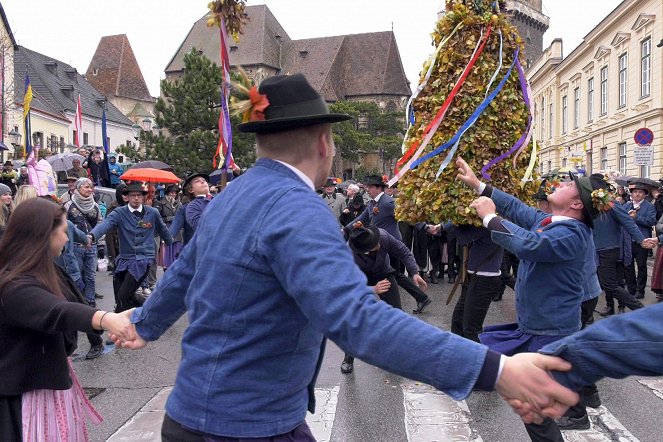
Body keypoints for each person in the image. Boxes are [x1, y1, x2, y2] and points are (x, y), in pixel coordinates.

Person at [113, 74, 578, 441]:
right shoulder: (297, 207)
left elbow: (184, 271)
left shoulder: (230, 197)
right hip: (246, 427)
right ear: (323, 144)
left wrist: (146, 322)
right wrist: (494, 369)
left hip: (200, 415)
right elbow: (358, 319)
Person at [455, 158, 611, 440]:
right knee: (533, 407)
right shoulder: (553, 221)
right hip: (538, 328)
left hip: (549, 333)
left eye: (568, 185)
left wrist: (490, 218)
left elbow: (529, 245)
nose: (560, 184)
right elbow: (517, 208)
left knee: (532, 407)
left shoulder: (573, 233)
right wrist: (478, 185)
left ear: (576, 204)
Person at [0, 198, 135, 440]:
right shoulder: (13, 283)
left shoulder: (46, 269)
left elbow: (75, 303)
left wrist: (109, 323)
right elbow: (56, 311)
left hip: (48, 384)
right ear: (44, 235)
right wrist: (105, 319)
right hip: (25, 395)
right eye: (63, 231)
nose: (66, 238)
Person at [341, 221, 427, 373]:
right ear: (362, 250)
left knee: (396, 314)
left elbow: (403, 251)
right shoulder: (348, 255)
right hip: (360, 278)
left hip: (383, 272)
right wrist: (373, 289)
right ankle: (349, 357)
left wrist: (414, 272)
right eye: (374, 246)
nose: (379, 246)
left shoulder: (383, 236)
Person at [348, 174, 433, 313]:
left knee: (394, 274)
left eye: (370, 187)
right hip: (372, 244)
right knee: (397, 275)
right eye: (367, 187)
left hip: (389, 244)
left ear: (378, 188)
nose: (367, 189)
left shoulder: (387, 202)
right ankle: (421, 297)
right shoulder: (372, 203)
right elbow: (361, 219)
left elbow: (405, 214)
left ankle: (421, 297)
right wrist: (345, 229)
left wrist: (424, 227)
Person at [88, 182, 173, 313]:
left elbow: (164, 231)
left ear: (143, 197)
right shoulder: (119, 213)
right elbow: (105, 225)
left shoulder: (152, 212)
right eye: (132, 195)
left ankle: (117, 321)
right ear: (126, 197)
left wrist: (171, 246)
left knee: (124, 295)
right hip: (124, 259)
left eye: (139, 195)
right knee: (122, 296)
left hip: (143, 260)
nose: (136, 198)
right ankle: (150, 311)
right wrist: (92, 236)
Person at [64, 178, 103, 307]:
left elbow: (100, 225)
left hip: (92, 246)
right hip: (75, 247)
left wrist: (101, 244)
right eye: (86, 187)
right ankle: (78, 302)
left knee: (91, 276)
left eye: (91, 187)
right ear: (78, 188)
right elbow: (63, 226)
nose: (89, 190)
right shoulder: (68, 205)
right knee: (77, 275)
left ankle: (90, 302)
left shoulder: (95, 206)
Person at [623, 183, 656, 299]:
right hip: (627, 240)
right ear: (631, 194)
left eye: (640, 192)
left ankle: (640, 290)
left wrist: (636, 217)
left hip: (643, 240)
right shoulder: (627, 206)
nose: (637, 194)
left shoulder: (649, 207)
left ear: (645, 195)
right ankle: (631, 288)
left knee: (641, 266)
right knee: (628, 265)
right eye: (635, 192)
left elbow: (651, 222)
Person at [155, 184, 183, 271]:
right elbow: (158, 219)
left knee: (177, 255)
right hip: (166, 231)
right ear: (167, 193)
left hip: (178, 233)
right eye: (171, 192)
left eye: (175, 193)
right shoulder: (161, 203)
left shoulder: (179, 203)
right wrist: (170, 218)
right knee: (166, 258)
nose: (173, 194)